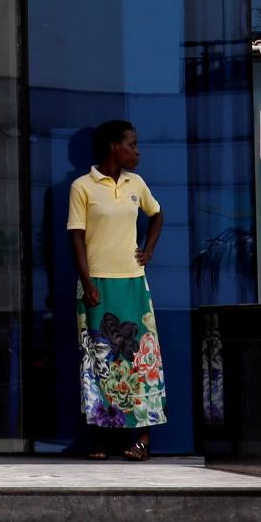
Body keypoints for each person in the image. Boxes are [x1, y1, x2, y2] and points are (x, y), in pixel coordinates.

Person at [68, 119, 166, 462]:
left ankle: (142, 439)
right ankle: (98, 438)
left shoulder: (136, 183)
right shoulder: (82, 186)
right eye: (132, 144)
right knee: (97, 360)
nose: (137, 152)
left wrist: (148, 250)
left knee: (142, 359)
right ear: (114, 146)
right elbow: (76, 237)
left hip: (133, 283)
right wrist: (88, 282)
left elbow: (156, 215)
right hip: (97, 284)